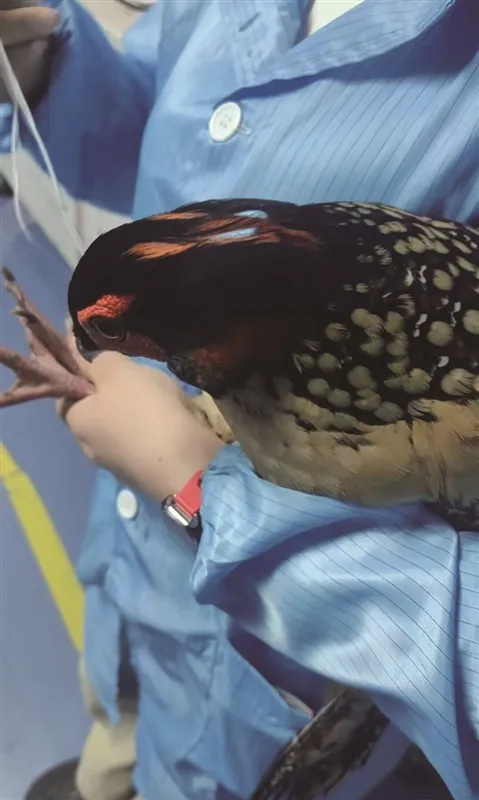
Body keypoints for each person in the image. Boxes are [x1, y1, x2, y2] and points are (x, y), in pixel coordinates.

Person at [1, 0, 478, 798]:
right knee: (116, 727)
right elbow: (176, 123)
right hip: (125, 575)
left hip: (269, 683)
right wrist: (45, 67)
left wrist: (199, 490)